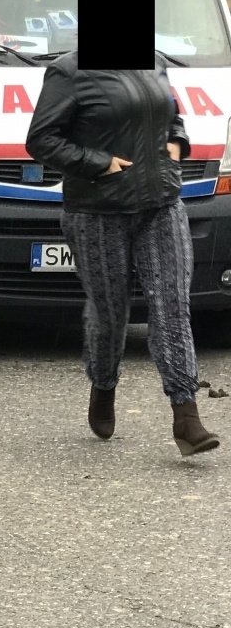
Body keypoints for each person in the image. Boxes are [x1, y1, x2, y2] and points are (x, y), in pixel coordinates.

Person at [25, 50, 219, 455]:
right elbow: (41, 140)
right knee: (110, 314)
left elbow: (171, 115)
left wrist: (177, 143)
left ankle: (186, 416)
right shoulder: (69, 71)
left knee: (171, 306)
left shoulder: (155, 61)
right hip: (97, 212)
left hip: (162, 205)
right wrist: (97, 162)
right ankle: (103, 383)